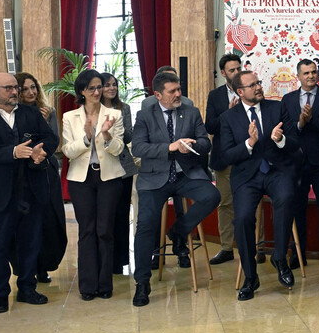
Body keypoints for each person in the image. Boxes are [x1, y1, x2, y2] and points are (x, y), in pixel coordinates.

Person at [0, 72, 57, 313]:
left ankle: (27, 288)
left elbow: (50, 137)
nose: (15, 92)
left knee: (30, 242)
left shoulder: (30, 113)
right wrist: (12, 153)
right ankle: (0, 294)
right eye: (8, 88)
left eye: (16, 87)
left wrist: (40, 152)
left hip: (30, 190)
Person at [130, 70, 221, 306]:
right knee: (145, 226)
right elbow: (138, 148)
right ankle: (142, 282)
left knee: (212, 195)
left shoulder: (190, 112)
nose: (179, 94)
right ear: (158, 95)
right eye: (173, 91)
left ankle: (178, 232)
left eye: (179, 89)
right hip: (154, 179)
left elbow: (205, 142)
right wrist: (170, 147)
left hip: (185, 175)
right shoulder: (144, 115)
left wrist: (192, 145)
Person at [217, 70, 301, 300]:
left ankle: (279, 258)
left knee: (285, 198)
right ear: (240, 92)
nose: (258, 87)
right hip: (247, 176)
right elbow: (226, 156)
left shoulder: (277, 107)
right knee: (243, 217)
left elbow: (295, 142)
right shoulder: (228, 118)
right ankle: (250, 276)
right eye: (252, 85)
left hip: (277, 170)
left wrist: (280, 139)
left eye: (259, 83)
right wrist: (249, 143)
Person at [61, 69, 125, 301]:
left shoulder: (114, 114)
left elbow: (119, 150)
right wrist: (87, 138)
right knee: (87, 230)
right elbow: (67, 151)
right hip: (82, 179)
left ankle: (105, 283)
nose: (98, 92)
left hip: (109, 177)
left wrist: (106, 135)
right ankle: (88, 286)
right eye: (92, 88)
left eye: (100, 87)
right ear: (82, 91)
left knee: (105, 230)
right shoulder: (70, 117)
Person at [283, 59, 319, 269]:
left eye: (313, 72)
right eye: (306, 73)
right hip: (296, 163)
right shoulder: (287, 99)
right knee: (296, 209)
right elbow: (288, 130)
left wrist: (309, 120)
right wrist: (300, 122)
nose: (310, 76)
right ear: (298, 76)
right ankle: (298, 254)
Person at [15, 72, 66, 284]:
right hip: (22, 170)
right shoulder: (14, 112)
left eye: (33, 87)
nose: (30, 92)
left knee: (49, 219)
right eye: (25, 89)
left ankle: (44, 266)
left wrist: (43, 122)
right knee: (27, 222)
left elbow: (53, 141)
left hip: (46, 168)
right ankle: (27, 268)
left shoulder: (49, 111)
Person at [205, 53, 243, 265]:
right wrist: (228, 113)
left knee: (252, 203)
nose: (236, 73)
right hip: (224, 158)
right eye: (232, 70)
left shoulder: (250, 89)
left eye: (238, 68)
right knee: (226, 203)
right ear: (223, 73)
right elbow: (209, 126)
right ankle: (227, 248)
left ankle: (257, 245)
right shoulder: (216, 96)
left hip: (247, 157)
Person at [101, 72, 137, 274]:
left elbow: (129, 136)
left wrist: (117, 127)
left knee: (122, 214)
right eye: (107, 85)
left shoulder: (125, 108)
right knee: (106, 215)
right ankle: (105, 257)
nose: (111, 88)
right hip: (102, 167)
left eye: (114, 84)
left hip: (123, 166)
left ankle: (120, 259)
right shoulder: (93, 109)